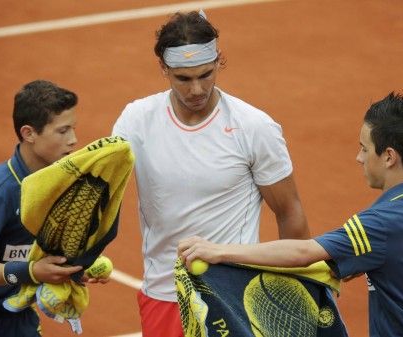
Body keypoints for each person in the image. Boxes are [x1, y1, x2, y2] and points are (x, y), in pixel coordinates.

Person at [179, 92, 403, 337]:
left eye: (365, 148)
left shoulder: (381, 222)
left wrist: (219, 252)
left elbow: (304, 252)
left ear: (389, 157)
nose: (359, 157)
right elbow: (394, 266)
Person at [112, 10, 309, 337]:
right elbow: (102, 198)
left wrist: (296, 294)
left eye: (206, 74)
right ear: (164, 69)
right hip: (162, 296)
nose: (196, 90)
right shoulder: (136, 121)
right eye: (183, 79)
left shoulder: (254, 128)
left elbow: (291, 213)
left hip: (234, 295)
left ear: (219, 61)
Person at [0, 80, 84, 337]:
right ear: (29, 133)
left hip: (21, 315)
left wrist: (75, 270)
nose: (74, 140)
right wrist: (31, 271)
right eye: (62, 131)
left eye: (73, 129)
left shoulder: (59, 181)